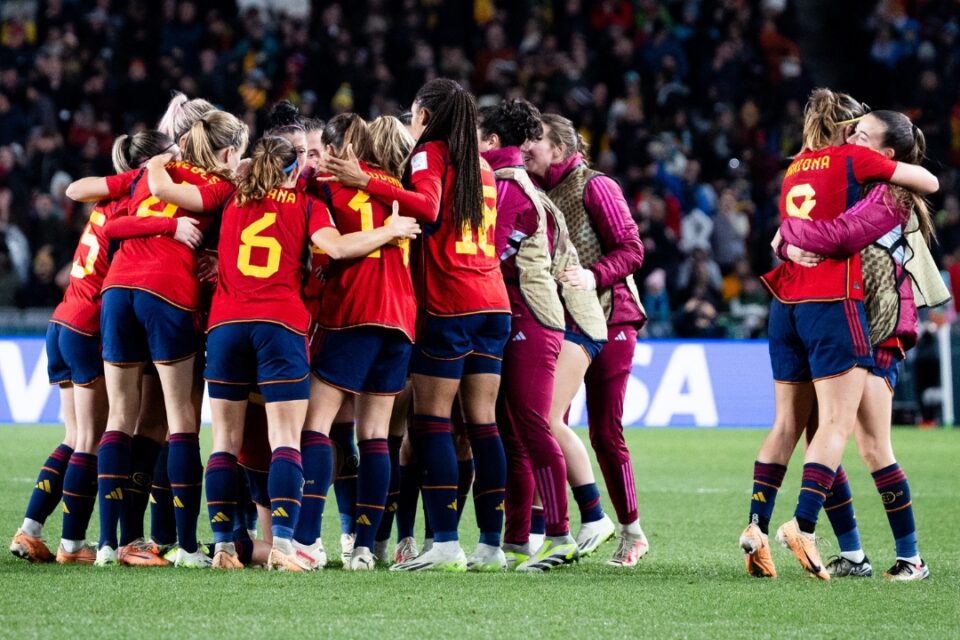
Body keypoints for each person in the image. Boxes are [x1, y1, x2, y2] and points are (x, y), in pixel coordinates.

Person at [146, 134, 419, 571]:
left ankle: (223, 546)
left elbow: (166, 191)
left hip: (226, 326)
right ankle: (286, 546)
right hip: (280, 327)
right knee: (286, 440)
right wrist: (391, 230)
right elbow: (337, 248)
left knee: (224, 442)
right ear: (293, 170)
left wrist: (161, 161)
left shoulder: (229, 194)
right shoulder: (306, 205)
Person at [742, 89, 938, 581]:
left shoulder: (891, 192)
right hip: (839, 315)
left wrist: (789, 236)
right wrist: (788, 241)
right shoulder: (851, 175)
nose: (852, 139)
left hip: (877, 324)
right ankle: (852, 554)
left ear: (885, 152)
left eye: (863, 135)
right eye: (852, 131)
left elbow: (841, 235)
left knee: (871, 445)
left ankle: (910, 556)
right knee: (821, 434)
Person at [321, 79, 511, 572]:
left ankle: (445, 542)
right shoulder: (482, 165)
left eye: (412, 114)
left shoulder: (430, 154)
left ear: (425, 115)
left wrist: (365, 181)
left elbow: (425, 207)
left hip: (452, 302)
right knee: (482, 423)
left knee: (431, 421)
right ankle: (491, 545)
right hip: (493, 301)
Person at [66, 109, 249, 568]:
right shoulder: (219, 187)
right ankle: (187, 547)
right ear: (227, 152)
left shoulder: (150, 173)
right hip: (167, 291)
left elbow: (107, 220)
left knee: (119, 417)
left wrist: (151, 171)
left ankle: (108, 544)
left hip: (117, 291)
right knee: (180, 418)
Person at [9, 130, 188, 565]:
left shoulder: (109, 199)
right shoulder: (135, 204)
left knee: (75, 436)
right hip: (89, 324)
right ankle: (72, 545)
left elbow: (79, 191)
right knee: (91, 438)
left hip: (62, 319)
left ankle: (30, 530)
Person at [478, 99, 608, 571]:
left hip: (532, 320)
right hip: (523, 318)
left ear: (492, 141)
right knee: (516, 435)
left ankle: (560, 534)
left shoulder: (510, 189)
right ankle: (516, 541)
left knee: (534, 425)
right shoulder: (515, 185)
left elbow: (487, 255)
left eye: (477, 137)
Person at [294, 114, 421, 570]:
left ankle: (306, 540)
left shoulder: (327, 185)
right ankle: (365, 548)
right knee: (375, 436)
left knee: (316, 426)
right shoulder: (398, 190)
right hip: (401, 319)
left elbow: (297, 194)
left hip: (354, 311)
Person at [524, 113, 651, 567]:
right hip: (566, 322)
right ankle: (543, 529)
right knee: (544, 421)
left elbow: (632, 249)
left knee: (603, 431)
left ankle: (631, 532)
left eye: (535, 140)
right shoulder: (536, 191)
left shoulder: (596, 186)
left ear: (559, 149)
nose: (526, 147)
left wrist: (591, 275)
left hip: (612, 318)